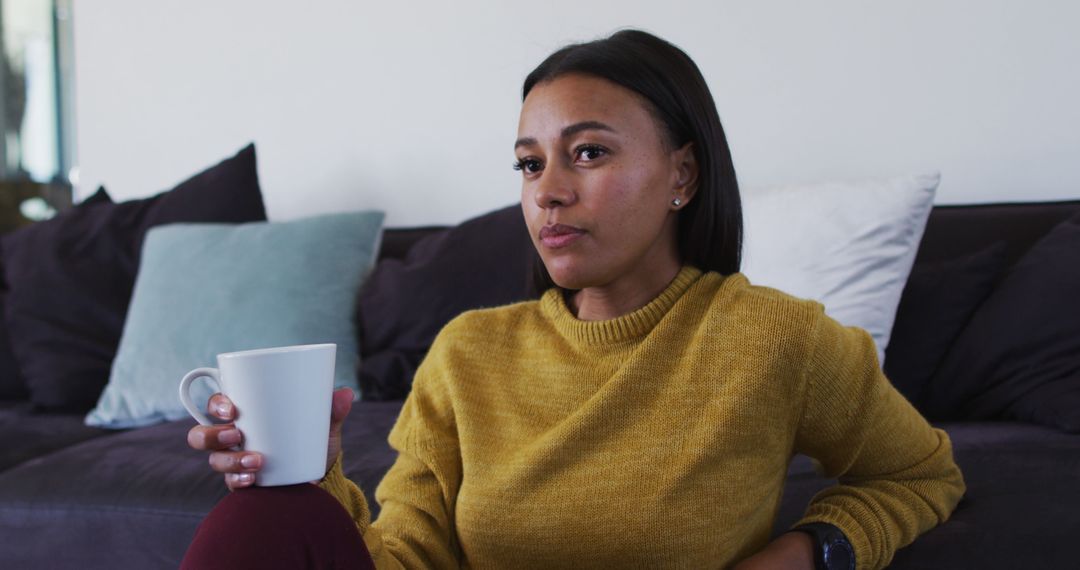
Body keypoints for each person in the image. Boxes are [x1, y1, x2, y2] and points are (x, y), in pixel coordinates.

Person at [184, 29, 965, 570]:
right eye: (529, 165)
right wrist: (311, 481)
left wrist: (806, 552)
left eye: (588, 153)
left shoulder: (774, 339)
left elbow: (921, 476)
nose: (548, 192)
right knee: (262, 516)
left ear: (682, 176)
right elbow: (407, 556)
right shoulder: (468, 352)